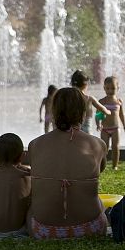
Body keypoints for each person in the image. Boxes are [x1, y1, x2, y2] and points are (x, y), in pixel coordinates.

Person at [28, 87, 108, 239]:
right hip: (90, 228)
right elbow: (99, 169)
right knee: (96, 198)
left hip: (43, 230)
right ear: (83, 112)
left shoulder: (35, 144)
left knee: (30, 206)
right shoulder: (98, 144)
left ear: (54, 111)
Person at [96, 76, 125, 170]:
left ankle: (115, 166)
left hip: (116, 128)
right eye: (108, 88)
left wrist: (124, 126)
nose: (110, 91)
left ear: (118, 88)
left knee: (116, 147)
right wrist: (98, 123)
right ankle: (103, 165)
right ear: (104, 88)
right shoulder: (102, 101)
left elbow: (121, 115)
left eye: (113, 88)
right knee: (104, 148)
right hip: (105, 129)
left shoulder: (118, 101)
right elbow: (98, 114)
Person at [70, 70, 110, 134]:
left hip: (74, 128)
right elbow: (101, 109)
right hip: (86, 128)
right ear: (86, 84)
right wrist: (108, 112)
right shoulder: (89, 99)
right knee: (88, 143)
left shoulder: (70, 99)